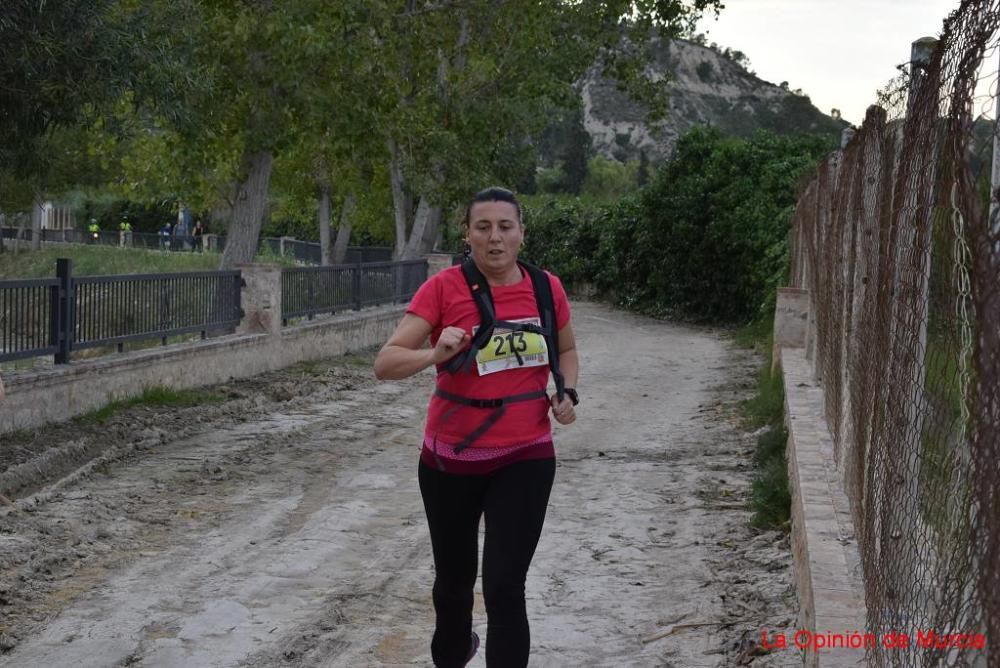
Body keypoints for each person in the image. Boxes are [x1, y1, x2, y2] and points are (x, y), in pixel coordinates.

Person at [374, 186, 579, 668]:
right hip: (450, 459)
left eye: (505, 227)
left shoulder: (547, 288)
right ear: (466, 234)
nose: (495, 238)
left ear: (522, 234)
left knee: (506, 584)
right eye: (482, 227)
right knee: (453, 585)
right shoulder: (443, 288)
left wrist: (566, 392)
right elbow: (386, 363)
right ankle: (454, 652)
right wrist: (434, 353)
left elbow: (566, 350)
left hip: (526, 454)